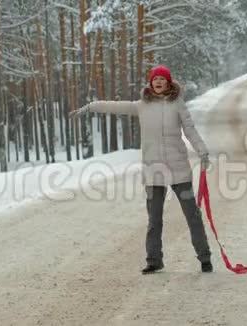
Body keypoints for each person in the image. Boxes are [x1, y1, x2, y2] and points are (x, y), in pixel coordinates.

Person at [73, 65, 213, 274]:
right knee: (154, 218)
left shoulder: (177, 104)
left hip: (179, 169)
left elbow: (190, 130)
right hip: (153, 170)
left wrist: (202, 151)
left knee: (192, 214)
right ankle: (154, 260)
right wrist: (91, 106)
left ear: (168, 83)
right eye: (154, 79)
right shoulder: (142, 106)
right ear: (150, 83)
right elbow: (115, 106)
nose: (158, 82)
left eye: (162, 79)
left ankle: (205, 258)